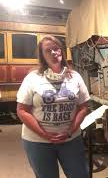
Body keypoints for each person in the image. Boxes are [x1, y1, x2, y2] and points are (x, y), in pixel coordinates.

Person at [16, 35, 90, 178]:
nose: (53, 53)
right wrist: (45, 135)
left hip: (71, 139)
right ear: (42, 56)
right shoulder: (33, 78)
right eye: (48, 50)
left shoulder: (75, 77)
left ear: (61, 50)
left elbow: (83, 107)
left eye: (56, 48)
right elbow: (22, 111)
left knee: (80, 175)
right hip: (38, 141)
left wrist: (70, 131)